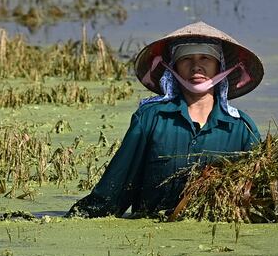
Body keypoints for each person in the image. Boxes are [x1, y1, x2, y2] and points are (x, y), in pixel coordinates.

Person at [66, 21, 264, 218]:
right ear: (173, 67)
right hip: (151, 233)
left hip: (218, 239)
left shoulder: (241, 128)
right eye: (186, 58)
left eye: (205, 58)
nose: (196, 66)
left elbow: (258, 194)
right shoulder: (150, 118)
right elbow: (118, 184)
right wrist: (77, 218)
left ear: (219, 66)